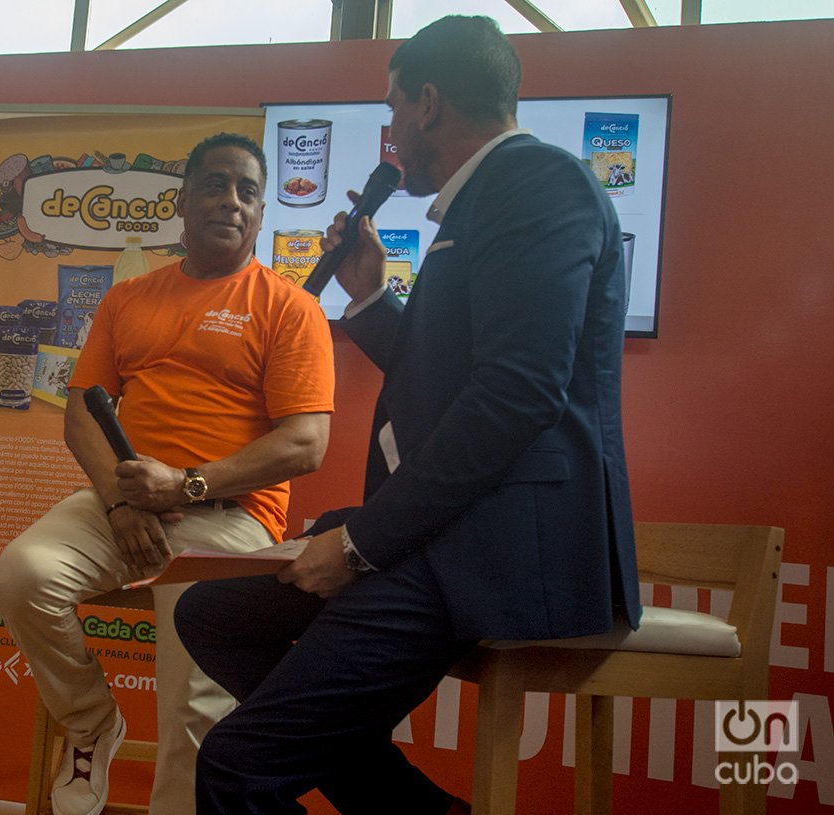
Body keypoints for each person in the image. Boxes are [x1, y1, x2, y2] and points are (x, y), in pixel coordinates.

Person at [174, 16, 642, 814]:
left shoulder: (538, 186)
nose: (389, 132)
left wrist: (359, 544)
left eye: (392, 110)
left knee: (236, 764)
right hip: (450, 532)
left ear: (428, 103)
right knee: (211, 615)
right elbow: (454, 381)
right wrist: (368, 294)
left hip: (499, 546)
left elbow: (517, 396)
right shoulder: (483, 204)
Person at [0, 132, 335, 815]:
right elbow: (83, 414)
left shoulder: (290, 308)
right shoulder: (129, 300)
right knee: (23, 573)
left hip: (232, 520)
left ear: (262, 214)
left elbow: (305, 443)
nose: (231, 202)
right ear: (183, 201)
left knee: (192, 701)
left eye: (247, 191)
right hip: (126, 506)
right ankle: (92, 721)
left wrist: (185, 486)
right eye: (215, 184)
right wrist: (123, 506)